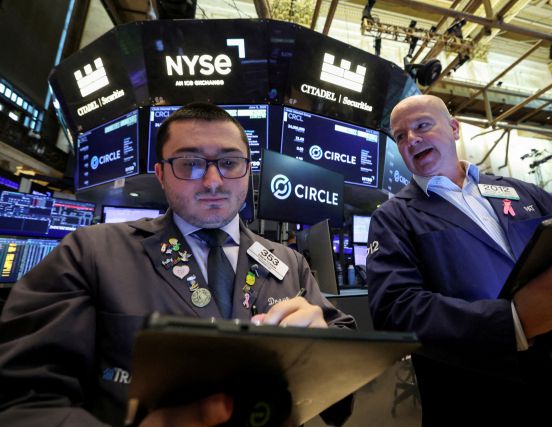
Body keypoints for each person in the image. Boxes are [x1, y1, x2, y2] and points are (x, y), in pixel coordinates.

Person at [0, 103, 356, 426]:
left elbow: (348, 377)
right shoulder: (90, 252)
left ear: (248, 170)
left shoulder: (288, 262)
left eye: (229, 163)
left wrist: (323, 349)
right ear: (161, 173)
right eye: (190, 163)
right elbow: (22, 400)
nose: (213, 181)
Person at [366, 94, 552, 427]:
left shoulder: (523, 191)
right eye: (400, 136)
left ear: (454, 128)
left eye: (422, 125)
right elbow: (395, 310)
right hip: (481, 398)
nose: (411, 139)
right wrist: (513, 322)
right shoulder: (393, 216)